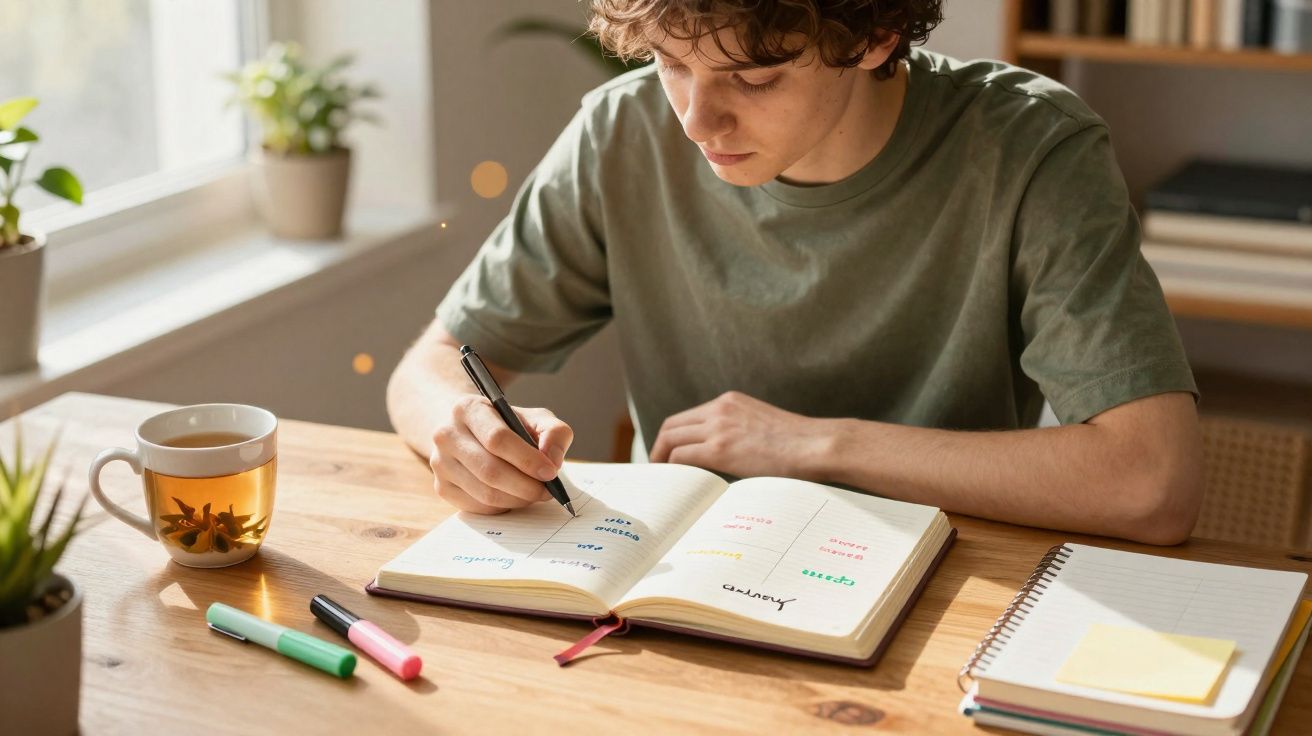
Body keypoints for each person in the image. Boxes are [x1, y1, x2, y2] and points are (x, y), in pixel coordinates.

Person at [387, 0, 1204, 545]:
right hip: (680, 576)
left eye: (753, 77)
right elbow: (430, 367)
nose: (696, 121)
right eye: (673, 65)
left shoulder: (1032, 149)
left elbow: (1152, 481)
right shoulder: (621, 130)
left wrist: (814, 445)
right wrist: (459, 429)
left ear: (876, 36)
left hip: (946, 581)